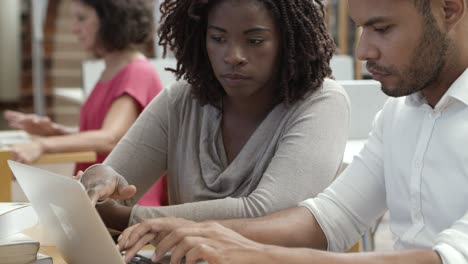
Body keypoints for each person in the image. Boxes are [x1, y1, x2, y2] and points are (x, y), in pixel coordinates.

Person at [116, 0, 468, 263]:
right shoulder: (397, 113)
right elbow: (329, 218)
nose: (362, 50)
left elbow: (448, 257)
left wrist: (261, 254)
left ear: (449, 9)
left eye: (382, 28)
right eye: (361, 29)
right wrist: (197, 232)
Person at [77, 0, 350, 234]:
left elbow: (270, 213)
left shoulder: (323, 102)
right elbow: (108, 197)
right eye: (218, 39)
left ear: (289, 41)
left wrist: (129, 219)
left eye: (255, 41)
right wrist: (98, 179)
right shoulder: (181, 101)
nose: (233, 56)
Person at [4, 0, 167, 206]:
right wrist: (55, 132)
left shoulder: (137, 72)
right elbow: (108, 136)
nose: (74, 28)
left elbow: (110, 138)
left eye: (82, 18)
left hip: (123, 207)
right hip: (99, 200)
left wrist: (42, 144)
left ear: (110, 20)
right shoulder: (110, 71)